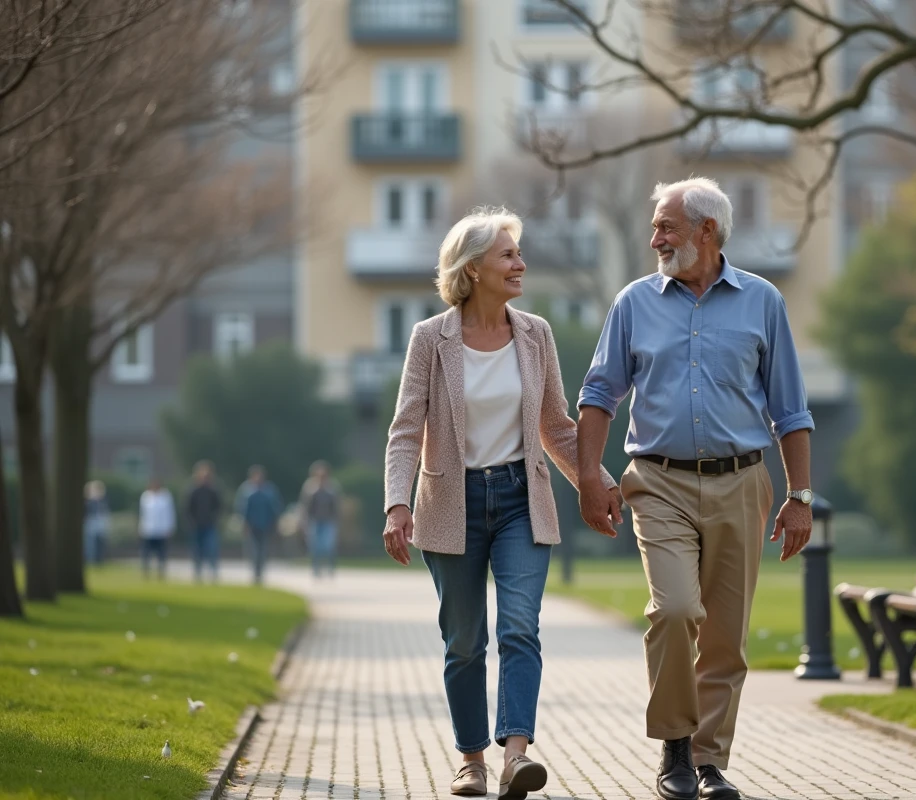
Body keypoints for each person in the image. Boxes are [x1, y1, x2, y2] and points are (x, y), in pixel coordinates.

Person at [577, 178, 815, 800]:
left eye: (666, 227)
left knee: (726, 636)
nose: (654, 238)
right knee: (676, 610)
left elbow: (791, 408)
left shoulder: (763, 301)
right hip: (657, 483)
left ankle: (709, 763)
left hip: (742, 483)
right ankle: (675, 748)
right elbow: (598, 394)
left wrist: (800, 496)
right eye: (657, 227)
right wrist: (588, 477)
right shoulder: (634, 302)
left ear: (707, 231)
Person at [381, 207, 620, 800]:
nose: (520, 263)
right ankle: (471, 761)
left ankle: (515, 756)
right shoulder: (429, 339)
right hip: (450, 502)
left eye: (518, 253)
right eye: (508, 255)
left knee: (521, 628)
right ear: (473, 269)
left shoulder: (535, 333)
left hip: (520, 498)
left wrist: (597, 481)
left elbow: (557, 427)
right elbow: (407, 428)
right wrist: (395, 504)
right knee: (464, 642)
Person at [235, 465, 282, 585]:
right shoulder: (246, 490)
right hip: (251, 526)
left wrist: (275, 523)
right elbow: (241, 509)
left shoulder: (269, 490)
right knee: (253, 550)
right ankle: (255, 572)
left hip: (265, 525)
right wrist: (244, 523)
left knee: (263, 550)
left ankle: (260, 572)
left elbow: (275, 508)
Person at [299, 460, 340, 578]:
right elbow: (305, 506)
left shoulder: (332, 487)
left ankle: (331, 568)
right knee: (315, 546)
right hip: (314, 521)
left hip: (328, 521)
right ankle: (316, 570)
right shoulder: (310, 487)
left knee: (328, 546)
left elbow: (336, 506)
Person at [186, 460, 222, 583]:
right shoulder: (193, 491)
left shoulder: (213, 491)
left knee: (212, 549)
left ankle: (213, 573)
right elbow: (188, 508)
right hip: (197, 525)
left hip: (210, 525)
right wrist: (192, 522)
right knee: (197, 550)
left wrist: (215, 519)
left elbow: (219, 507)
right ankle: (198, 573)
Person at [138, 477, 177, 580]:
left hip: (162, 530)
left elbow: (170, 513)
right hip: (149, 529)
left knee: (161, 554)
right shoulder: (146, 496)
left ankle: (161, 573)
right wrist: (141, 527)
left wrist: (170, 527)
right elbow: (143, 514)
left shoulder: (166, 497)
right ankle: (146, 573)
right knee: (146, 553)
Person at [83, 480, 111, 565]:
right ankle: (91, 559)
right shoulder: (88, 502)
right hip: (91, 522)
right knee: (91, 543)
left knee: (100, 542)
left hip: (100, 523)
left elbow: (105, 512)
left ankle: (99, 559)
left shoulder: (103, 501)